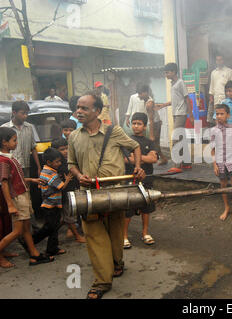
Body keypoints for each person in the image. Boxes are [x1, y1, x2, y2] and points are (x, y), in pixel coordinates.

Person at [68, 91, 145, 299]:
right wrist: (78, 175)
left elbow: (135, 146)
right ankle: (102, 281)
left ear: (97, 111)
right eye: (78, 107)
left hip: (116, 191)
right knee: (94, 235)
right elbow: (71, 164)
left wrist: (138, 166)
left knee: (116, 229)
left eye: (84, 108)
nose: (79, 111)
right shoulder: (74, 136)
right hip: (89, 195)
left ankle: (117, 262)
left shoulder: (114, 131)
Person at [0, 127, 54, 268]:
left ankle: (34, 255)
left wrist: (31, 180)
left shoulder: (8, 158)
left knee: (25, 228)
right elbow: (4, 183)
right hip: (17, 198)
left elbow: (16, 178)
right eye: (14, 140)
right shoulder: (3, 160)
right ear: (4, 143)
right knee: (17, 231)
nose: (16, 143)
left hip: (22, 195)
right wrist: (10, 205)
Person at [123, 112, 159, 249]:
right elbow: (126, 159)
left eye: (139, 124)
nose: (136, 126)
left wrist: (136, 157)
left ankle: (145, 233)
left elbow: (154, 159)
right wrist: (144, 157)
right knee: (128, 208)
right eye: (134, 123)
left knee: (146, 208)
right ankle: (124, 236)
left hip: (147, 179)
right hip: (130, 179)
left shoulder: (150, 142)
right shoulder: (127, 141)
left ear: (144, 126)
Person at [32, 148, 73, 257]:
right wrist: (67, 179)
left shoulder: (47, 171)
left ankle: (52, 248)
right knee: (50, 227)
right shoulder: (50, 173)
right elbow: (61, 187)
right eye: (57, 161)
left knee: (54, 227)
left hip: (52, 204)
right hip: (50, 205)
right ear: (49, 162)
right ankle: (31, 241)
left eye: (60, 161)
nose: (59, 163)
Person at [156, 63, 194, 172]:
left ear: (173, 72)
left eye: (167, 72)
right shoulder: (173, 84)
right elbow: (175, 100)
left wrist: (190, 115)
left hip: (181, 113)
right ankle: (186, 163)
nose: (166, 74)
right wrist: (163, 105)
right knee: (181, 138)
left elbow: (187, 99)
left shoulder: (180, 82)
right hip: (176, 113)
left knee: (176, 138)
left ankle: (177, 166)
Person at [51, 138, 85, 243]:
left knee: (68, 215)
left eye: (67, 148)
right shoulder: (56, 165)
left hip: (73, 191)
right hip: (63, 194)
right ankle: (77, 236)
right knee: (69, 216)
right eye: (62, 149)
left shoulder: (70, 161)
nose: (65, 151)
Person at [210, 104, 232, 221]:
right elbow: (213, 149)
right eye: (217, 114)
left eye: (222, 114)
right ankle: (226, 207)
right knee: (223, 186)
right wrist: (214, 165)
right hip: (220, 163)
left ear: (228, 115)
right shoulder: (213, 130)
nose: (219, 116)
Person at [125, 84, 168, 165]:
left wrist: (151, 135)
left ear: (146, 93)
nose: (139, 96)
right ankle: (162, 158)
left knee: (154, 143)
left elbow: (151, 120)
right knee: (154, 144)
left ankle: (157, 158)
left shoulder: (149, 104)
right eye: (138, 93)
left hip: (154, 124)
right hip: (154, 123)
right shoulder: (147, 100)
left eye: (140, 94)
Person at [1, 101, 41, 178]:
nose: (25, 116)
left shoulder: (29, 127)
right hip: (10, 167)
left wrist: (38, 167)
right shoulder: (4, 128)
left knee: (26, 187)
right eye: (23, 113)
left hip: (26, 167)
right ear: (14, 112)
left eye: (26, 113)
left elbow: (33, 148)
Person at [208, 55, 232, 126]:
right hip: (217, 100)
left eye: (220, 60)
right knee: (217, 119)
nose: (219, 62)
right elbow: (212, 86)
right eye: (217, 60)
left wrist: (231, 98)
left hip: (227, 100)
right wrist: (211, 97)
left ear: (223, 61)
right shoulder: (213, 72)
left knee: (227, 118)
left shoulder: (229, 71)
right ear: (216, 61)